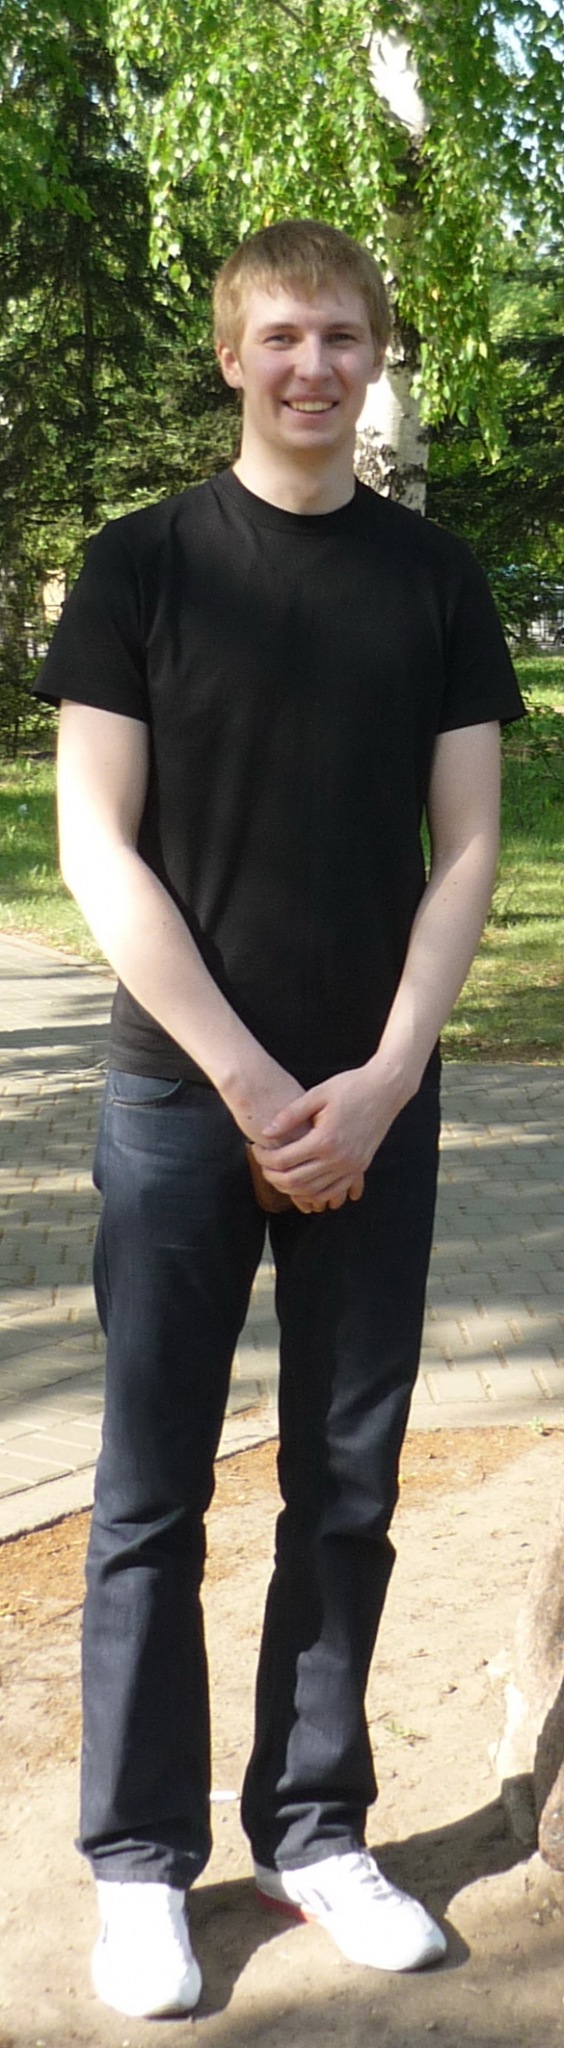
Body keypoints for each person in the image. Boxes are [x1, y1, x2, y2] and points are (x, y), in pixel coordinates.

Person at [35, 218, 525, 2020]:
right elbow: (95, 844)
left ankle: (315, 1830)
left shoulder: (436, 581)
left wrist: (381, 1080)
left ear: (376, 356)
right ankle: (139, 1864)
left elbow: (468, 848)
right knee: (149, 1490)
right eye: (283, 336)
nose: (315, 364)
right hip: (182, 1100)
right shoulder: (142, 564)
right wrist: (252, 1084)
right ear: (232, 356)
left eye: (343, 336)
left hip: (378, 1101)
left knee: (346, 1483)